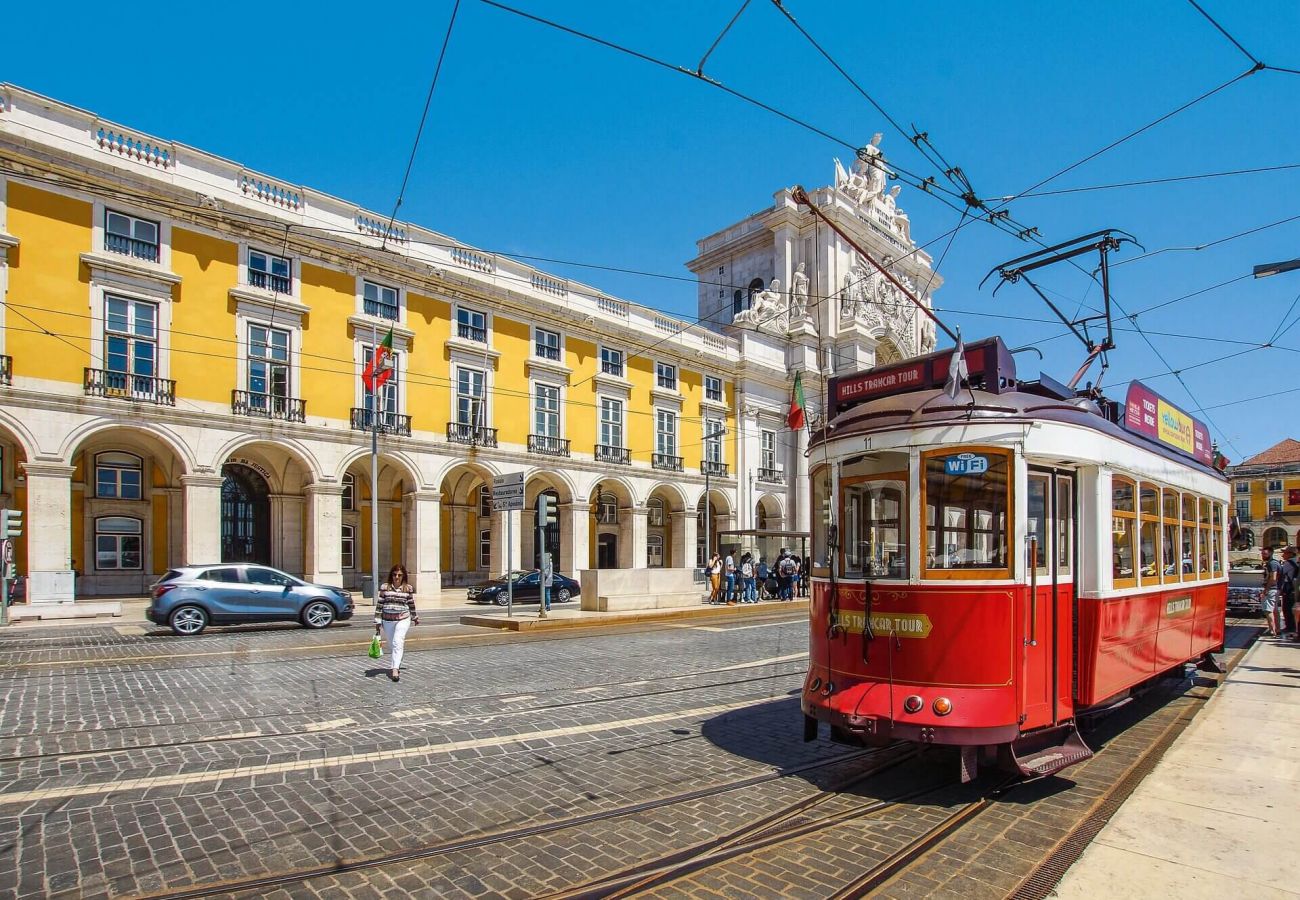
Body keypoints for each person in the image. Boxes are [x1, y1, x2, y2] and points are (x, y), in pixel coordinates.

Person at [374, 564, 417, 682]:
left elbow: (411, 604)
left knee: (398, 642)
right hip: (387, 620)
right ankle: (397, 663)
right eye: (394, 575)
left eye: (399, 575)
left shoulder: (408, 588)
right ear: (391, 575)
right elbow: (380, 604)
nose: (396, 577)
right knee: (393, 644)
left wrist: (414, 617)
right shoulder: (385, 587)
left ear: (403, 576)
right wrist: (377, 620)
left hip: (403, 619)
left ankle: (394, 669)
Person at [1260, 546, 1282, 637]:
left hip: (1271, 589)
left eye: (1265, 554)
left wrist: (1266, 590)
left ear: (1271, 553)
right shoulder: (1275, 563)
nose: (1263, 555)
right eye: (1262, 553)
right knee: (1275, 610)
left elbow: (1273, 578)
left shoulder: (1271, 564)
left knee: (1268, 610)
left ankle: (1272, 630)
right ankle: (1277, 629)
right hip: (1275, 589)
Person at [1280, 546, 1299, 639]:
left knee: (1287, 609)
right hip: (1295, 589)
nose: (1283, 555)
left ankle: (1290, 628)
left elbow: (1281, 573)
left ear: (1291, 554)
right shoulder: (1297, 562)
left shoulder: (1289, 563)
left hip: (1289, 590)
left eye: (1285, 553)